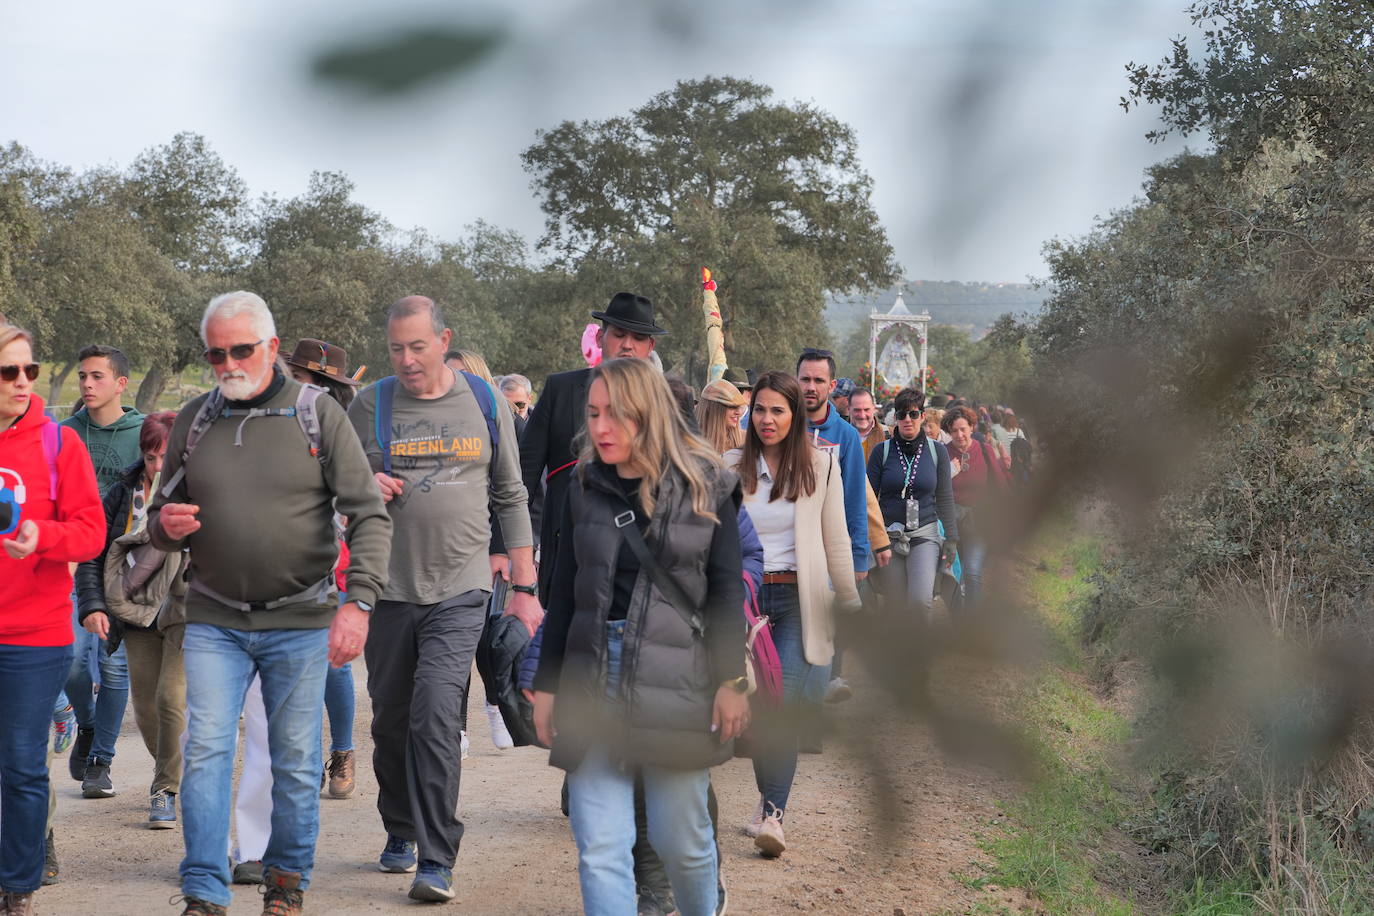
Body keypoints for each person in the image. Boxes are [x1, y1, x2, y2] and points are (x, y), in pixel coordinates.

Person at [150, 291, 392, 916]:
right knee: (205, 750)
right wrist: (165, 526)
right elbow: (155, 516)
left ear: (273, 348)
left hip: (301, 618)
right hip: (211, 615)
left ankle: (286, 883)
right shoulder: (195, 419)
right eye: (215, 353)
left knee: (293, 758)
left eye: (241, 350)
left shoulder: (317, 414)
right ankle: (204, 888)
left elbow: (368, 515)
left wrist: (358, 602)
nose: (228, 363)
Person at [532, 358, 748, 916]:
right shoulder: (581, 486)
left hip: (676, 680)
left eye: (617, 415)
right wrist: (549, 682)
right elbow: (565, 593)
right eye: (594, 414)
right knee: (601, 847)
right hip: (592, 677)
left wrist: (731, 678)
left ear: (648, 415)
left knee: (682, 842)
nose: (601, 428)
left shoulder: (708, 486)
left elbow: (726, 593)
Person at [348, 296, 536, 904]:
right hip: (385, 590)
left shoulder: (484, 402)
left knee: (435, 714)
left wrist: (526, 588)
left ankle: (437, 857)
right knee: (393, 718)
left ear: (443, 338)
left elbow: (511, 494)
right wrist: (359, 487)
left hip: (462, 589)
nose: (406, 359)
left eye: (418, 346)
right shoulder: (367, 405)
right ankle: (400, 827)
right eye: (396, 348)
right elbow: (327, 493)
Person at [725, 371, 861, 859]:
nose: (766, 419)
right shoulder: (727, 469)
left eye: (777, 410)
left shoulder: (822, 465)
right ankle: (767, 801)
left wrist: (850, 605)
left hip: (799, 601)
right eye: (759, 409)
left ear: (794, 414)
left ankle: (774, 817)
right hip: (746, 603)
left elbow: (836, 539)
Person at [0, 321, 104, 916]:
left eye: (29, 369)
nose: (22, 381)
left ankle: (19, 886)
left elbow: (91, 532)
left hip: (33, 639)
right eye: (8, 371)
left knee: (20, 765)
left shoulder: (58, 444)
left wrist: (42, 536)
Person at [74, 410, 187, 829]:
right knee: (145, 709)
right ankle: (174, 771)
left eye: (168, 456)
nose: (160, 466)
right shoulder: (123, 492)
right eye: (152, 456)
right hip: (135, 613)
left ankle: (165, 789)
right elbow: (92, 552)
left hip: (187, 612)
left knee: (170, 699)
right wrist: (93, 605)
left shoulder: (203, 491)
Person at [521, 292, 665, 602]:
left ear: (650, 347)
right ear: (601, 337)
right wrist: (510, 554)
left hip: (643, 560)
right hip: (566, 554)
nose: (627, 344)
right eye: (619, 334)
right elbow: (522, 479)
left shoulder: (672, 400)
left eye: (639, 337)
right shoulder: (561, 389)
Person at [61, 344, 144, 798]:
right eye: (82, 377)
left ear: (120, 384)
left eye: (97, 377)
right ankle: (87, 725)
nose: (88, 385)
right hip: (71, 563)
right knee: (72, 663)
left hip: (122, 570)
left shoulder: (142, 432)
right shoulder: (64, 432)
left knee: (113, 671)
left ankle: (100, 761)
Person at [283, 337, 365, 799]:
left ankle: (343, 751)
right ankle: (309, 760)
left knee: (333, 662)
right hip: (283, 558)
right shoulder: (271, 423)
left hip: (335, 557)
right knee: (296, 663)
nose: (300, 389)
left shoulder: (344, 433)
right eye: (297, 378)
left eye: (310, 381)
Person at [867, 388, 958, 622]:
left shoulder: (937, 452)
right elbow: (868, 500)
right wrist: (872, 539)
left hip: (925, 535)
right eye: (902, 415)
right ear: (895, 418)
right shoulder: (882, 451)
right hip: (889, 537)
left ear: (923, 416)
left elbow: (946, 497)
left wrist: (952, 539)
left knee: (919, 601)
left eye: (913, 414)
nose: (908, 419)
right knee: (895, 604)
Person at [942, 405, 1009, 608]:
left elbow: (1000, 484)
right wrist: (948, 472)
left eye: (963, 429)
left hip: (978, 522)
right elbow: (934, 488)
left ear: (972, 427)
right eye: (954, 430)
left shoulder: (985, 450)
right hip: (949, 526)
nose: (959, 435)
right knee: (953, 577)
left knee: (972, 573)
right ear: (948, 432)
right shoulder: (942, 453)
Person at [695, 380, 746, 454]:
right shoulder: (693, 443)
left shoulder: (746, 440)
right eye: (731, 407)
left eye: (738, 407)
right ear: (712, 409)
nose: (738, 413)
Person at [848, 387, 887, 462]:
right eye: (857, 410)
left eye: (866, 410)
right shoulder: (839, 436)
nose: (862, 415)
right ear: (849, 409)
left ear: (874, 408)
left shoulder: (889, 435)